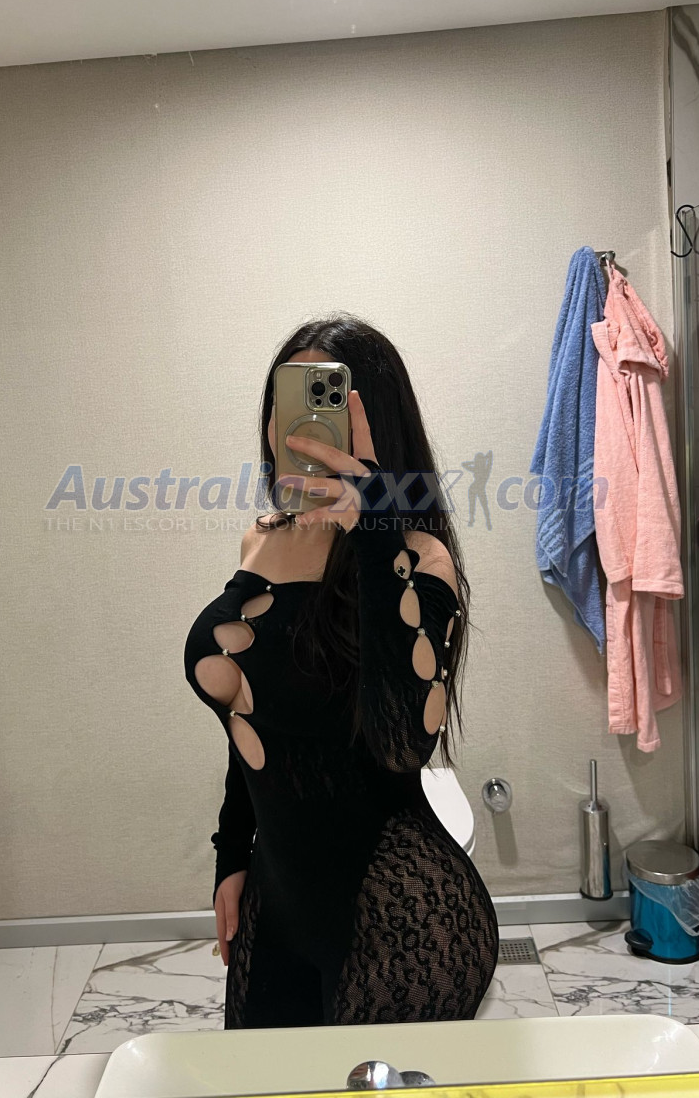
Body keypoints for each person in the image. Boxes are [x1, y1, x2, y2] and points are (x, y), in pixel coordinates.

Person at [183, 314, 498, 1028]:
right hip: (277, 900)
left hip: (397, 917)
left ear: (372, 428)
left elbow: (404, 743)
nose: (299, 431)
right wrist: (232, 855)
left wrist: (375, 528)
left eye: (327, 408)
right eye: (286, 403)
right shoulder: (259, 540)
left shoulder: (420, 559)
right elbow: (253, 716)